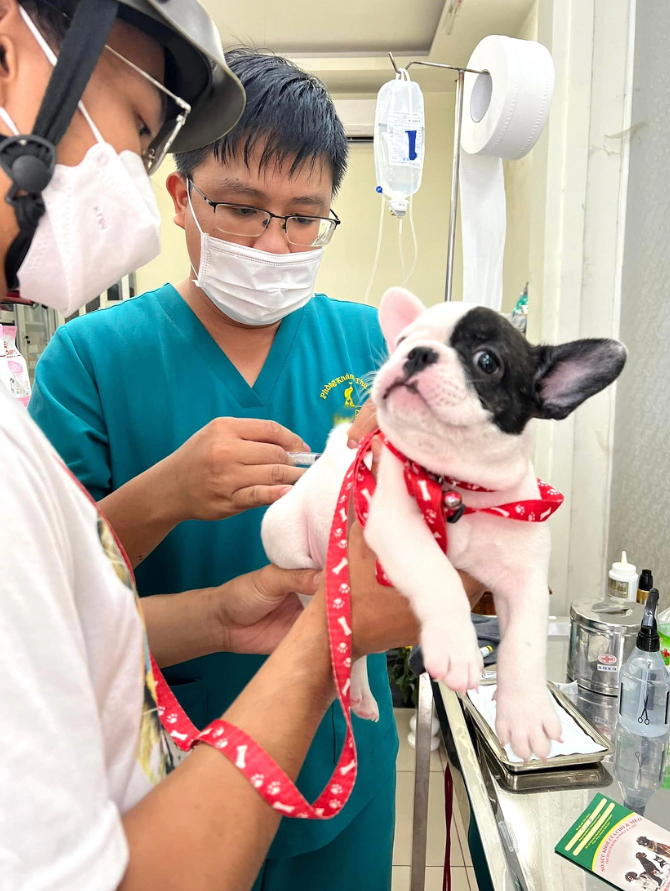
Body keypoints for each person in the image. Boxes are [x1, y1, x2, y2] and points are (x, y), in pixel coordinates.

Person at [28, 46, 485, 889]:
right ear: (181, 198)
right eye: (240, 207)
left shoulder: (381, 349)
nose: (273, 242)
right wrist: (168, 492)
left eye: (303, 217)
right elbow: (44, 593)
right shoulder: (89, 360)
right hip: (163, 773)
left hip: (343, 751)